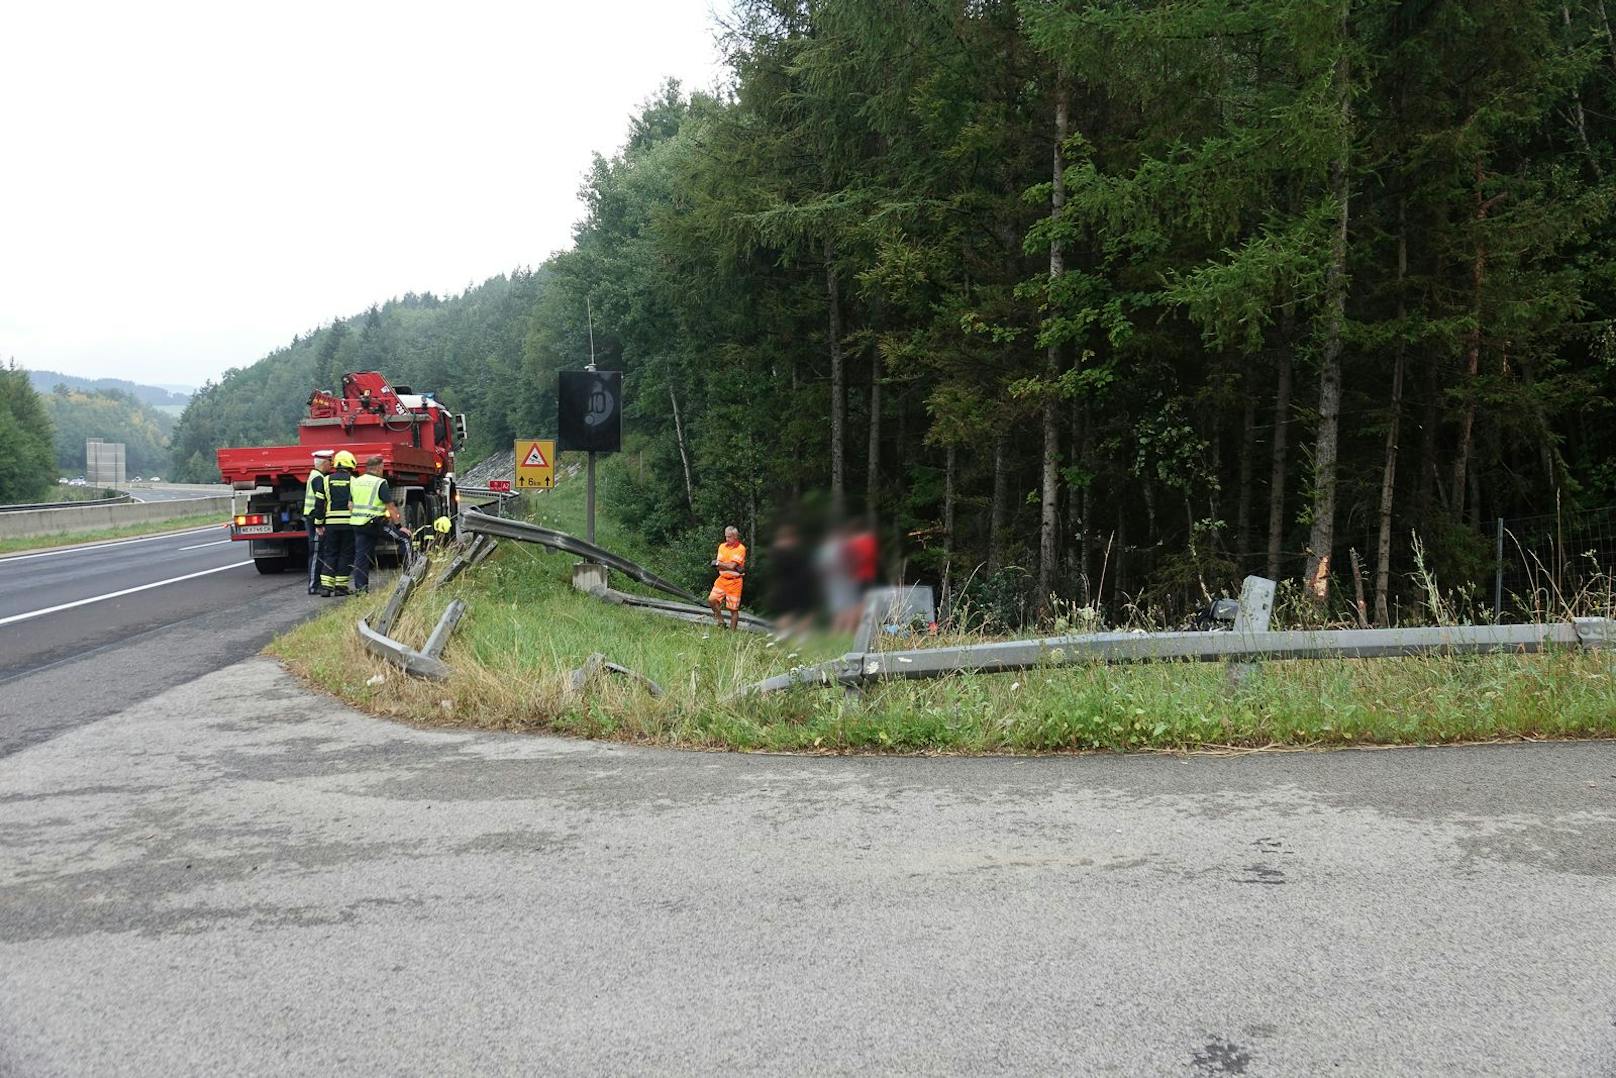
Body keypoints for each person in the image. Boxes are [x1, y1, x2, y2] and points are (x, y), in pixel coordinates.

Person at [349, 454, 404, 594]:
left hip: (357, 524)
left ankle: (361, 589)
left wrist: (358, 516)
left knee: (361, 555)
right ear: (379, 468)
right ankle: (411, 574)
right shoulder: (380, 483)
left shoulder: (356, 481)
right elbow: (391, 507)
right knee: (404, 538)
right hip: (374, 524)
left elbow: (350, 505)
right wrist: (399, 526)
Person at [316, 450, 357, 596]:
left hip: (331, 524)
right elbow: (355, 502)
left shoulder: (326, 480)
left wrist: (318, 524)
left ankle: (327, 587)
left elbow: (320, 503)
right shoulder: (353, 481)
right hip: (348, 523)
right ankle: (341, 587)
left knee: (330, 552)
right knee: (346, 553)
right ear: (350, 464)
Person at [303, 450, 333, 595]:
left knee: (320, 551)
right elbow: (321, 501)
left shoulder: (316, 476)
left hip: (313, 518)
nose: (331, 465)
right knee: (316, 552)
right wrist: (319, 523)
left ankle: (316, 583)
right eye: (330, 462)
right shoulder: (318, 478)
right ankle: (313, 585)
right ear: (324, 463)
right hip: (314, 518)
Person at [707, 525, 747, 630]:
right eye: (726, 536)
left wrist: (720, 564)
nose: (727, 539)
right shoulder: (722, 547)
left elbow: (730, 566)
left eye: (729, 537)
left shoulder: (740, 548)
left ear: (735, 536)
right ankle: (721, 621)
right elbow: (719, 567)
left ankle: (732, 634)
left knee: (733, 609)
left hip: (735, 582)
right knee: (711, 600)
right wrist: (728, 566)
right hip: (722, 579)